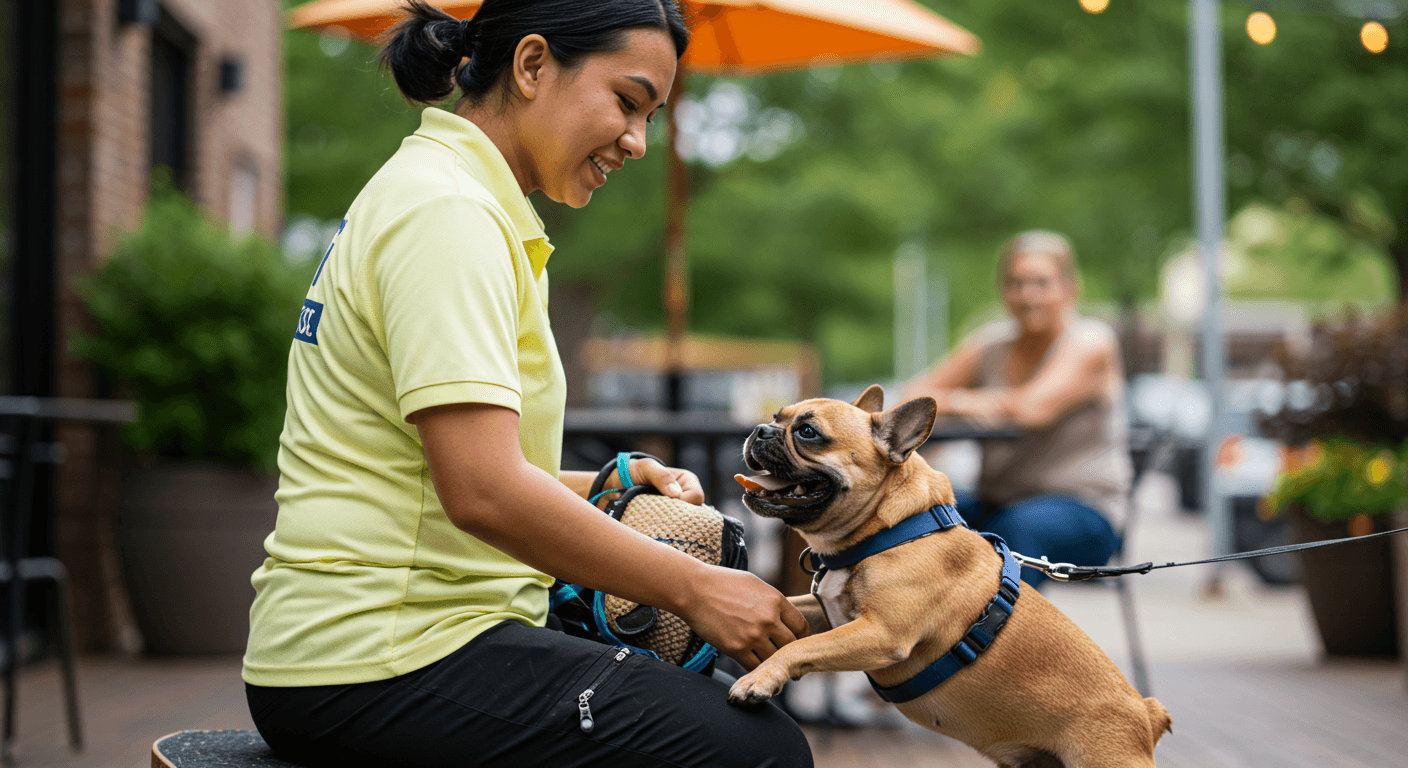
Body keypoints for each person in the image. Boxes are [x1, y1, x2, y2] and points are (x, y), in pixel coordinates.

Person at [242, 2, 811, 766]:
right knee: (754, 750)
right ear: (534, 64)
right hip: (379, 656)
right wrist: (693, 589)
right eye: (627, 101)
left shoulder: (450, 195)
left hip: (392, 639)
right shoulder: (449, 215)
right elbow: (481, 491)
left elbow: (428, 473)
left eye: (652, 117)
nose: (639, 141)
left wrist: (602, 483)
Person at [901, 231, 1130, 588]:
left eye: (1041, 283)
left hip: (1086, 512)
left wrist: (971, 403)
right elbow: (913, 396)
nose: (1028, 295)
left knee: (1013, 531)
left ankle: (1005, 641)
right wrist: (968, 402)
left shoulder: (1090, 342)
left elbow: (1033, 409)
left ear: (1070, 288)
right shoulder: (990, 344)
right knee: (910, 513)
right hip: (999, 502)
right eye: (1016, 283)